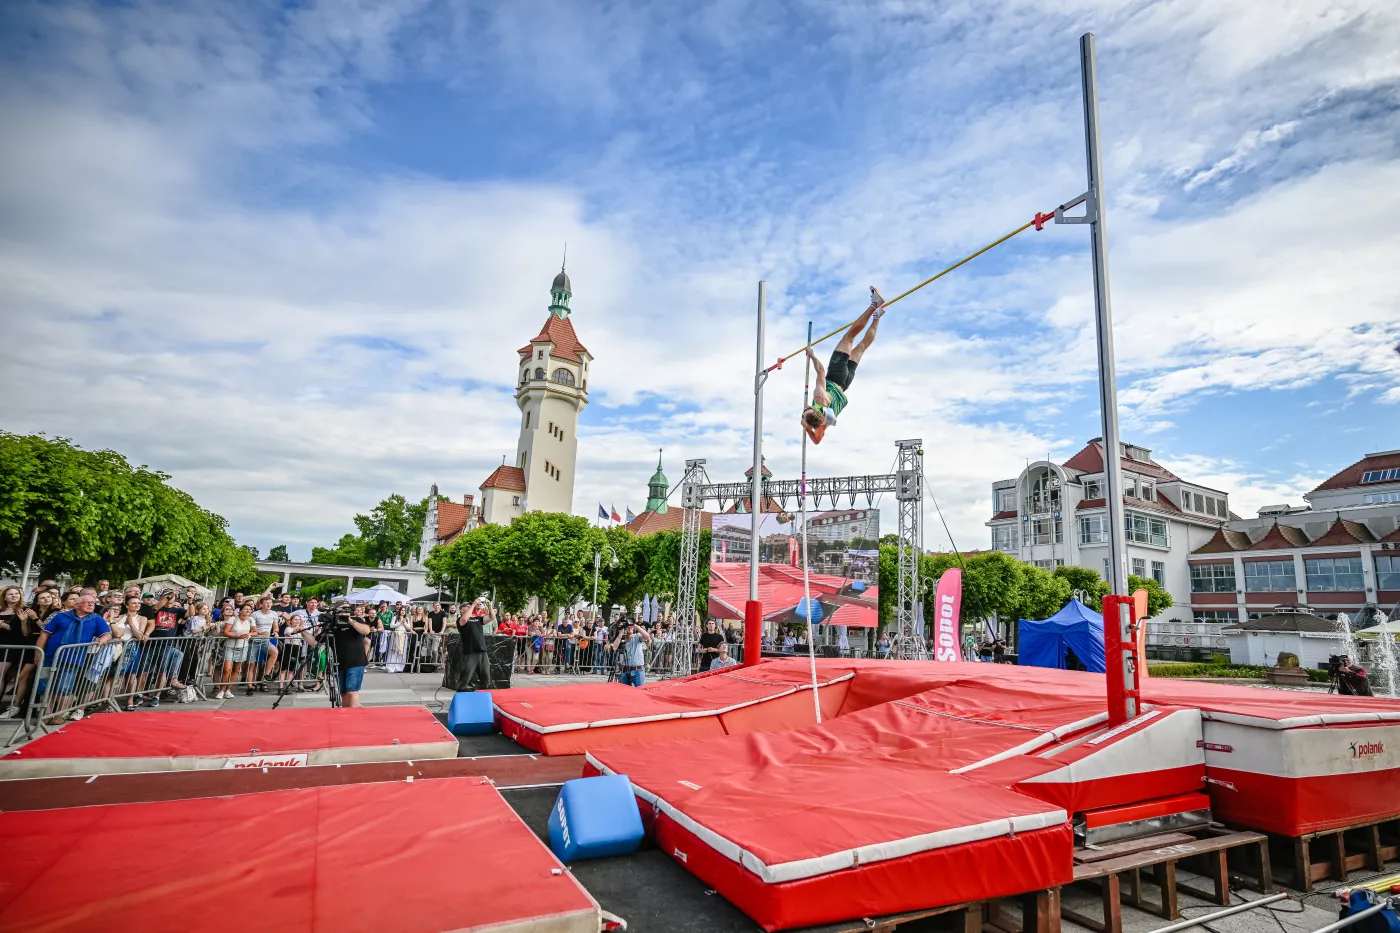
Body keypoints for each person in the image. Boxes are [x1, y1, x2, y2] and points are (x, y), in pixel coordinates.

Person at [801, 287, 886, 444]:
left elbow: (817, 441)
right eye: (805, 410)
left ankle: (877, 317)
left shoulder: (823, 424)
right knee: (849, 337)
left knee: (861, 347)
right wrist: (812, 355)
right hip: (835, 375)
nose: (804, 408)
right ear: (812, 410)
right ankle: (875, 305)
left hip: (846, 383)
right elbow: (820, 372)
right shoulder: (819, 400)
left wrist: (807, 429)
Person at [35, 592, 111, 723]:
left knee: (64, 688)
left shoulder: (96, 619)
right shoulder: (61, 616)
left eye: (93, 603)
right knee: (46, 686)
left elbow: (107, 634)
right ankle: (46, 714)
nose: (91, 604)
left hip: (73, 659)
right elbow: (44, 635)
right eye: (87, 602)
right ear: (77, 605)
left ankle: (60, 714)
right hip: (50, 656)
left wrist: (103, 639)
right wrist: (38, 654)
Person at [328, 601, 373, 707]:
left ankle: (353, 716)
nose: (345, 611)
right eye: (343, 608)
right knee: (343, 692)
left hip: (355, 662)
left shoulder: (356, 620)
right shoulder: (333, 624)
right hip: (339, 662)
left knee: (352, 691)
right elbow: (315, 641)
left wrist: (351, 621)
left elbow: (366, 631)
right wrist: (303, 632)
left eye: (347, 609)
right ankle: (345, 715)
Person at [457, 597, 493, 690]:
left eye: (470, 606)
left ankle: (481, 692)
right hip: (470, 650)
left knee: (485, 674)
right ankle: (461, 693)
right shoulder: (460, 619)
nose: (469, 607)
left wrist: (489, 605)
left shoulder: (478, 619)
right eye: (467, 606)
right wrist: (473, 605)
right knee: (466, 674)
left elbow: (492, 617)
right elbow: (464, 620)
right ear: (461, 609)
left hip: (481, 649)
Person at [610, 621, 653, 687]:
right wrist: (620, 633)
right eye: (628, 627)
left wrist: (636, 626)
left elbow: (647, 636)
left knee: (640, 691)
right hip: (625, 670)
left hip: (638, 670)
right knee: (625, 692)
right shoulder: (621, 638)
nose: (630, 628)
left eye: (631, 627)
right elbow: (614, 648)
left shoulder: (637, 636)